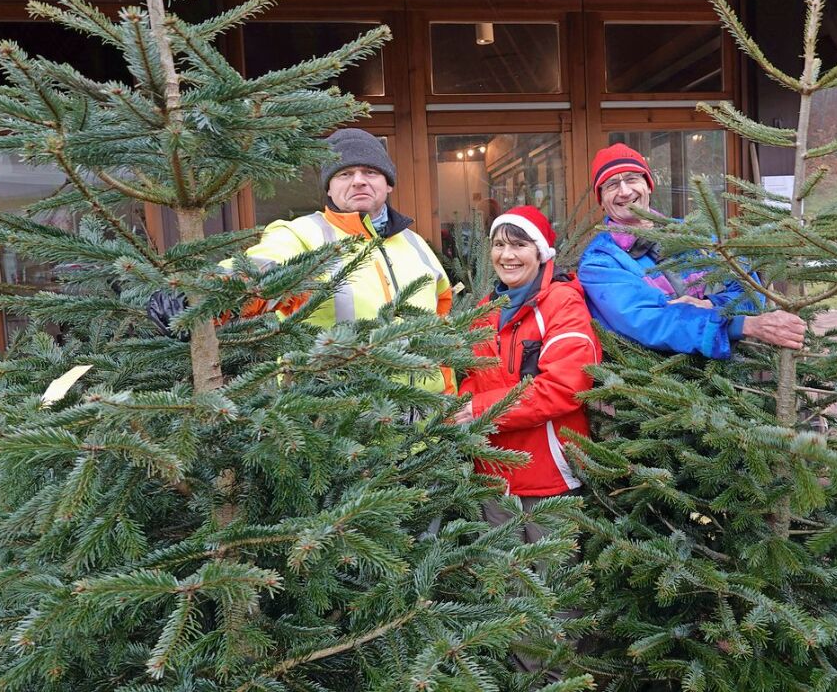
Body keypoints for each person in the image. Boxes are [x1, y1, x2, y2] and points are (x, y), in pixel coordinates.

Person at [152, 127, 454, 393]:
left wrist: (451, 406)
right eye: (345, 174)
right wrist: (202, 297)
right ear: (329, 187)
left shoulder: (417, 246)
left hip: (424, 430)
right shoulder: (302, 235)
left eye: (370, 172)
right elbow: (259, 272)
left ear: (388, 184)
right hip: (339, 424)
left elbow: (442, 333)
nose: (359, 181)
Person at [453, 205, 597, 678]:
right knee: (512, 593)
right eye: (499, 244)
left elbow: (566, 386)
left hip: (550, 477)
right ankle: (530, 679)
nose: (507, 254)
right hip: (493, 481)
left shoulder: (562, 305)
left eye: (519, 244)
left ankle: (563, 681)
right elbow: (466, 384)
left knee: (557, 596)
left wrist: (477, 413)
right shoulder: (482, 314)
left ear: (541, 252)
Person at [578, 143, 806, 359]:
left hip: (730, 381)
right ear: (601, 200)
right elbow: (650, 322)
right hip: (652, 390)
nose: (625, 191)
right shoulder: (599, 262)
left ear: (648, 185)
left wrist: (711, 303)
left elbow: (749, 286)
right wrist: (741, 324)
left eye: (632, 179)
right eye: (612, 185)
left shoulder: (694, 234)